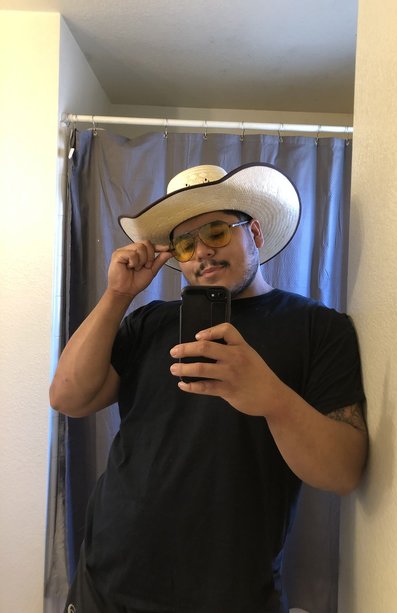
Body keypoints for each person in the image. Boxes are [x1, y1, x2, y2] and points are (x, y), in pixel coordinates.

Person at [50, 163, 368, 613]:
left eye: (217, 232)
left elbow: (342, 472)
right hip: (106, 581)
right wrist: (117, 295)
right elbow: (67, 397)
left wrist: (271, 397)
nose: (202, 252)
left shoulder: (319, 328)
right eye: (185, 243)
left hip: (230, 595)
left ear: (254, 233)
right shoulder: (149, 322)